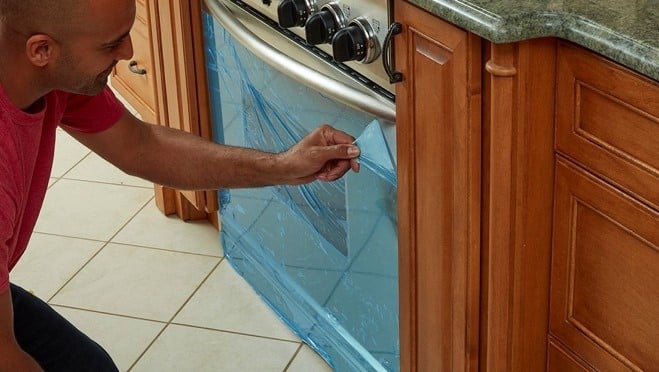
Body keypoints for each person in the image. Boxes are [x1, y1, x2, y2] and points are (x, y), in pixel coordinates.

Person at [0, 0, 361, 370]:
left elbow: (142, 148)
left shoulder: (53, 74)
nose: (129, 52)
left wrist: (284, 166)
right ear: (41, 50)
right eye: (111, 45)